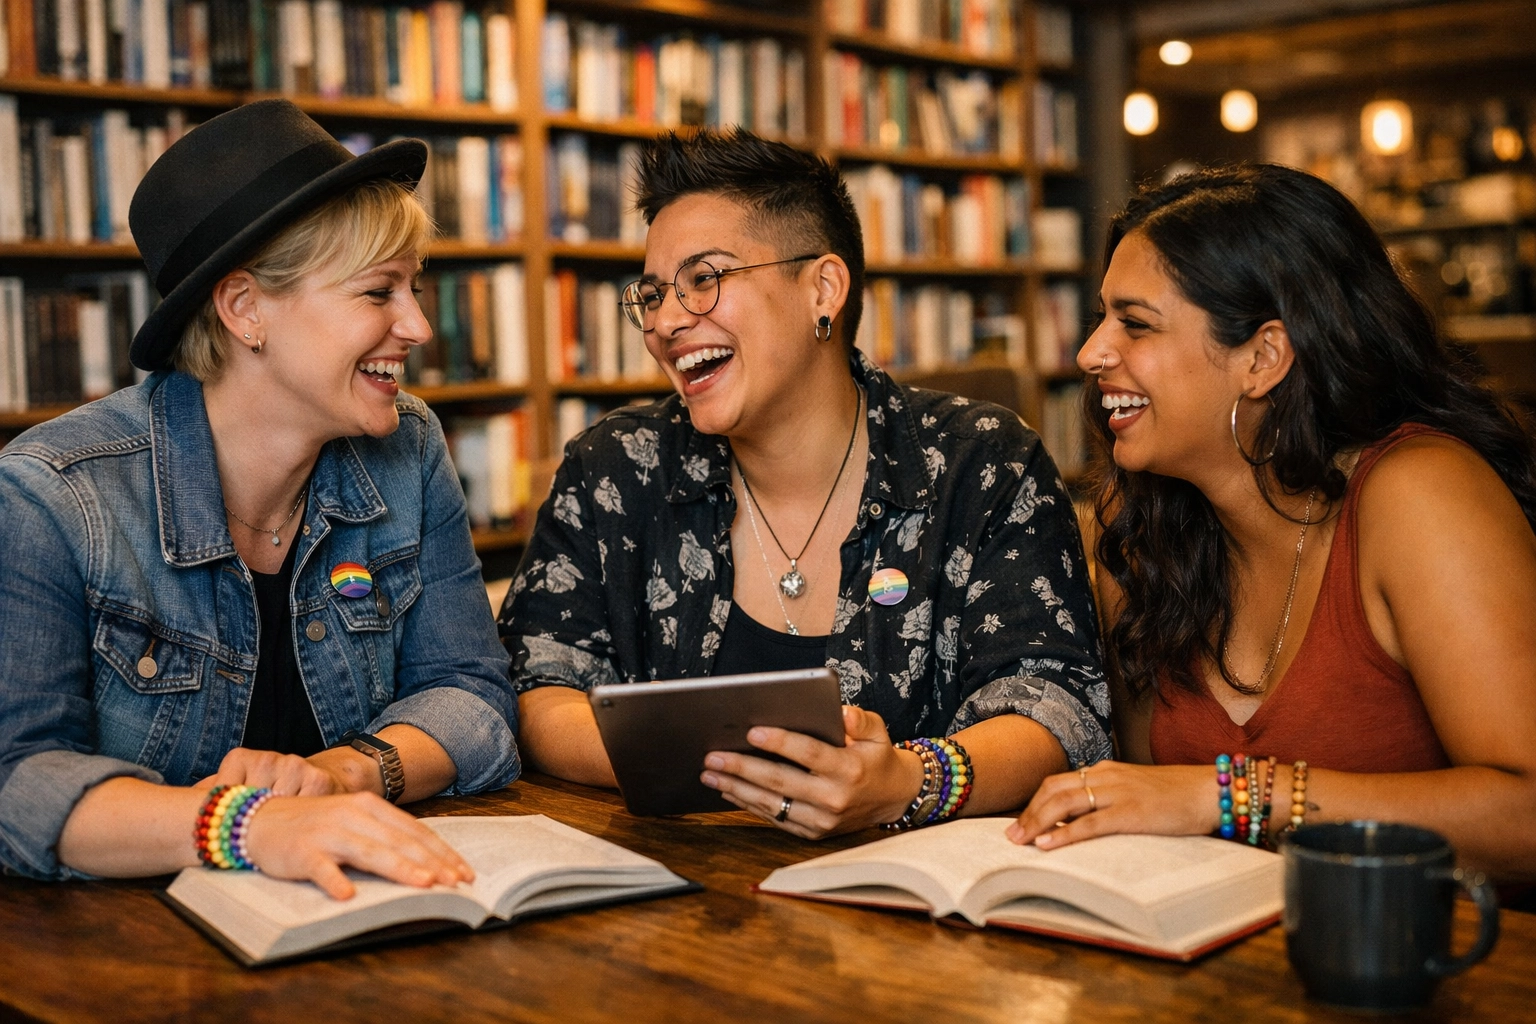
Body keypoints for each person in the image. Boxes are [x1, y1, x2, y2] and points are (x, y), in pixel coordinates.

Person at [500, 128, 1108, 838]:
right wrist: (733, 769)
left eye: (705, 279)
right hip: (681, 896)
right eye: (653, 293)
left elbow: (1055, 708)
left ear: (823, 288)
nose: (665, 322)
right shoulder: (614, 467)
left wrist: (906, 782)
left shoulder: (983, 463)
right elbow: (539, 686)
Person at [0, 100, 520, 897]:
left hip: (354, 911)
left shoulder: (408, 446)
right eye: (379, 292)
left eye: (414, 289)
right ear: (245, 310)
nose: (417, 325)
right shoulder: (51, 495)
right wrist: (250, 825)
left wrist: (349, 774)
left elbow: (474, 696)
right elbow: (18, 785)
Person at [1006, 164, 1536, 883]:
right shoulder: (1136, 525)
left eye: (1135, 323)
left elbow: (1526, 814)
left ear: (1262, 358)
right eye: (1102, 318)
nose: (1090, 352)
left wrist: (1229, 795)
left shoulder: (1420, 495)